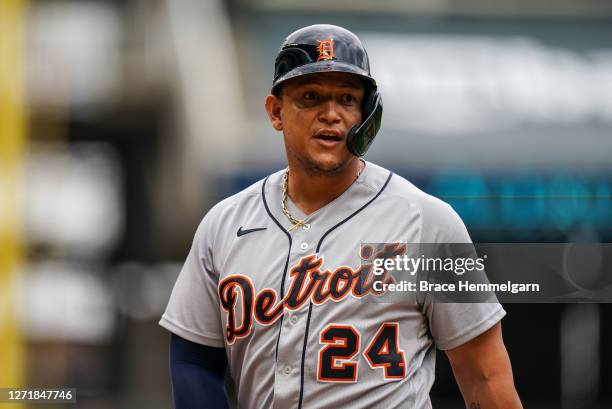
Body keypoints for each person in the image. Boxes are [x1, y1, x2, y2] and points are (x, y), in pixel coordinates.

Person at [160, 24, 522, 409]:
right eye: (311, 97)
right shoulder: (224, 224)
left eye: (347, 99)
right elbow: (194, 361)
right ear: (275, 111)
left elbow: (485, 376)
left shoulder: (429, 222)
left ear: (368, 116)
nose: (330, 114)